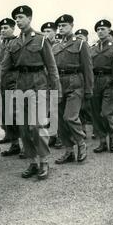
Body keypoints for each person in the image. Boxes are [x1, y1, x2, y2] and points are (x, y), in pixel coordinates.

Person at [1, 5, 61, 179]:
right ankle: (33, 162)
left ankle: (44, 162)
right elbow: (4, 67)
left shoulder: (41, 40)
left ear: (29, 18)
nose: (18, 21)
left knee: (37, 126)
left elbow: (51, 67)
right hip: (21, 84)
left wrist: (56, 90)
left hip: (39, 84)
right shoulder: (13, 43)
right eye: (16, 18)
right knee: (24, 127)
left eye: (21, 17)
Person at [52, 14, 93, 164]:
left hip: (75, 82)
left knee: (70, 117)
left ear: (72, 26)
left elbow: (88, 68)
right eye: (60, 26)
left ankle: (81, 144)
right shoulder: (55, 46)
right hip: (59, 84)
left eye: (65, 25)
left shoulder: (81, 44)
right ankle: (69, 151)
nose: (61, 28)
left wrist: (89, 89)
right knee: (61, 121)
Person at [90, 20, 113, 153]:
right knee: (97, 113)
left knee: (107, 112)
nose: (100, 31)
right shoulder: (92, 48)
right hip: (95, 82)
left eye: (103, 29)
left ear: (109, 31)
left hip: (109, 82)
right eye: (98, 29)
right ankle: (102, 141)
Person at [0, 18, 22, 156]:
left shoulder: (17, 43)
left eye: (6, 27)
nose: (3, 30)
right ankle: (14, 143)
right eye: (1, 28)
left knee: (16, 114)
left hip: (14, 82)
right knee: (6, 114)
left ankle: (26, 144)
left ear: (13, 28)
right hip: (2, 83)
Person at [41, 21, 63, 149]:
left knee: (57, 110)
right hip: (44, 81)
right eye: (44, 31)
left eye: (49, 31)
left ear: (55, 32)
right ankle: (52, 135)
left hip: (57, 80)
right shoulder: (41, 45)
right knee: (48, 111)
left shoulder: (59, 46)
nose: (46, 34)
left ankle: (59, 136)